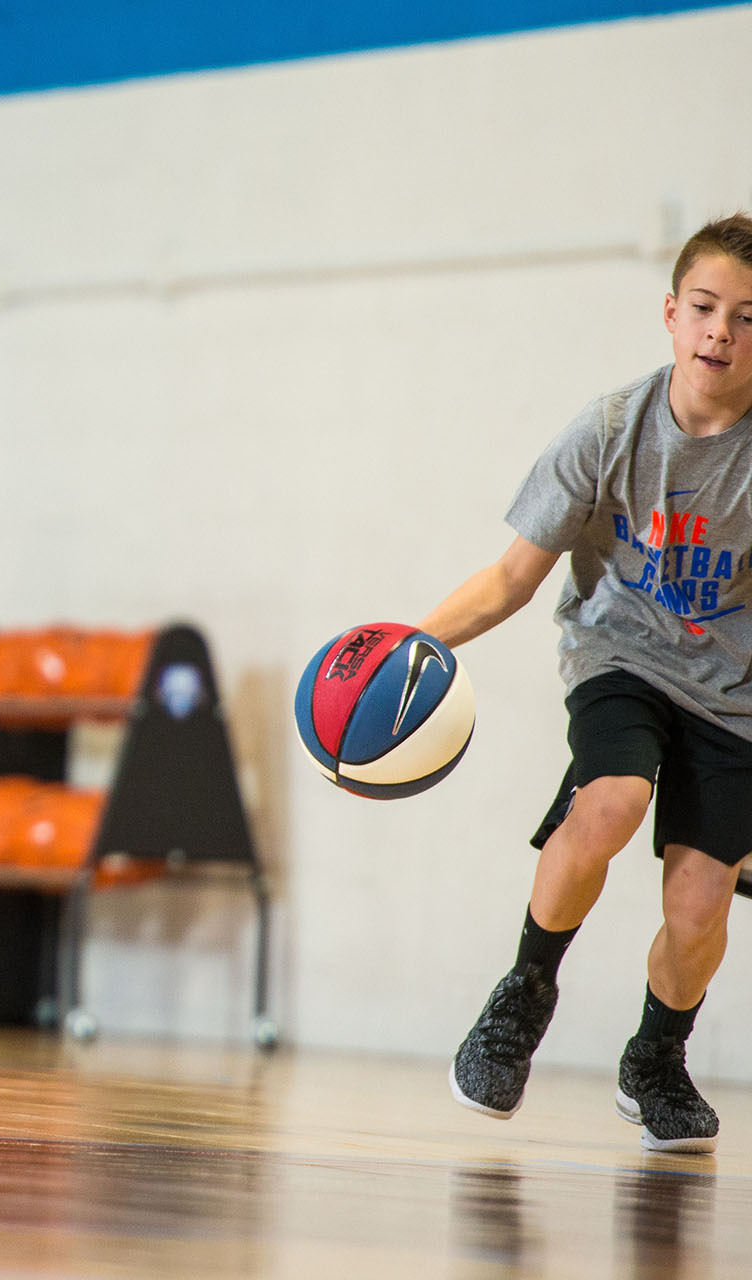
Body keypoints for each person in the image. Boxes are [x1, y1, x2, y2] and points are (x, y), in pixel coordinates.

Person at [424, 213, 752, 1153]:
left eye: (744, 316)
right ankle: (521, 1000)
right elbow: (509, 580)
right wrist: (407, 644)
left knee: (698, 906)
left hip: (732, 693)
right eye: (703, 308)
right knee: (609, 800)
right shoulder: (611, 429)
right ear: (671, 314)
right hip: (621, 660)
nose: (720, 331)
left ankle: (656, 1057)